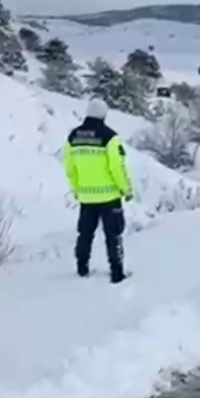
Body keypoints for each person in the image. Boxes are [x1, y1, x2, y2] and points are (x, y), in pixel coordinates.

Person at [64, 98, 133, 284]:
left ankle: (82, 268)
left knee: (85, 234)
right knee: (114, 235)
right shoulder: (110, 137)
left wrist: (77, 190)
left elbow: (70, 169)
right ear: (104, 114)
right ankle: (117, 272)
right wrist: (126, 189)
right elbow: (117, 168)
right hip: (109, 196)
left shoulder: (73, 137)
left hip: (86, 197)